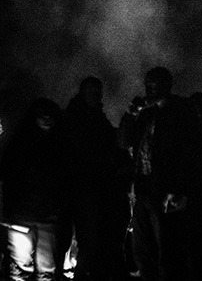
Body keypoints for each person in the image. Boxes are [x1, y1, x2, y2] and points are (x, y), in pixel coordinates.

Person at [118, 66, 201, 281]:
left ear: (166, 86)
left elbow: (191, 153)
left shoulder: (182, 111)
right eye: (148, 85)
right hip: (143, 187)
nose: (149, 90)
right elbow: (124, 142)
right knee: (143, 249)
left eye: (154, 85)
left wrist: (181, 190)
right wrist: (130, 115)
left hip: (166, 189)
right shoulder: (146, 113)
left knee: (169, 250)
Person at [58, 76, 130, 280]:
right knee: (90, 243)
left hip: (96, 191)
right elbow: (88, 152)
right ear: (83, 93)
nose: (96, 96)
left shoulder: (95, 116)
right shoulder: (76, 119)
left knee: (95, 243)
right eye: (92, 92)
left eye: (98, 92)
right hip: (85, 191)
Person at [0, 98, 68, 281]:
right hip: (27, 214)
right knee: (29, 268)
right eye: (42, 116)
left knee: (36, 268)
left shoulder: (57, 144)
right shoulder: (22, 144)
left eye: (50, 116)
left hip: (40, 214)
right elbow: (6, 173)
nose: (46, 119)